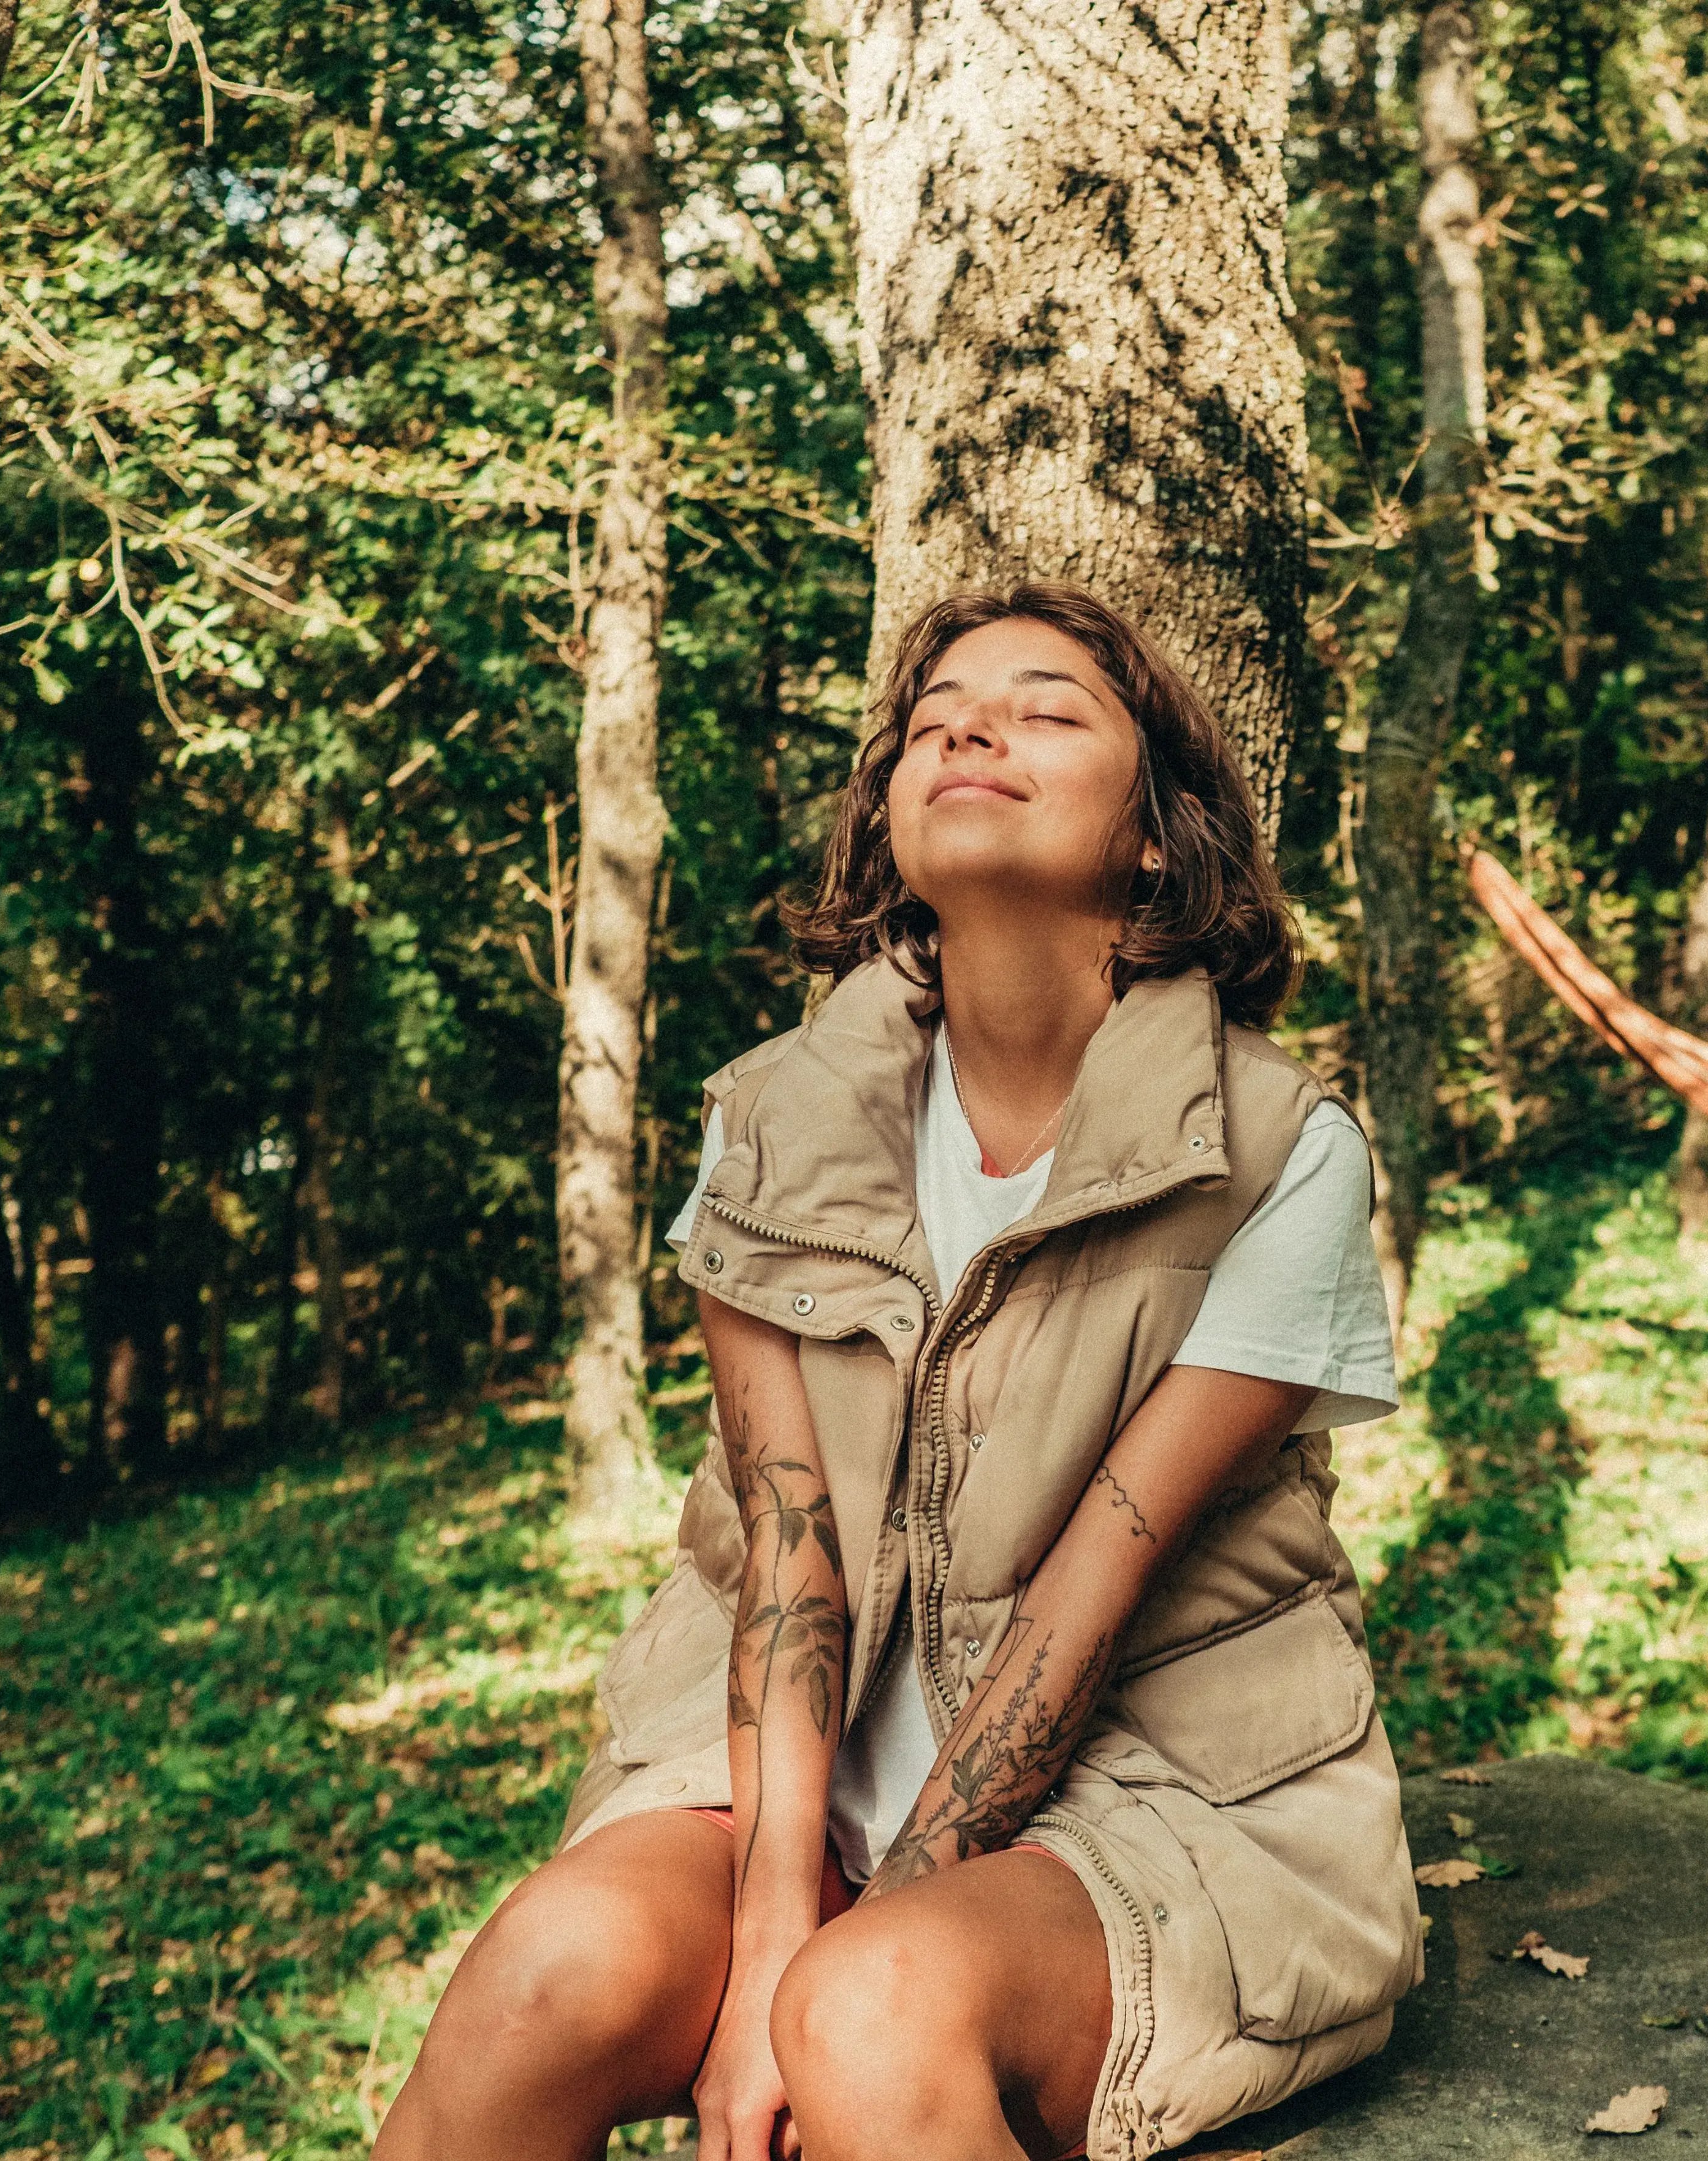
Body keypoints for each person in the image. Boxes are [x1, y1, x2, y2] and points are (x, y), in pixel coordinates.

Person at [376, 582, 1422, 2161]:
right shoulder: (766, 1130)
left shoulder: (1279, 1151)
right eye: (934, 719)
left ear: (1158, 835)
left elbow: (1089, 1603)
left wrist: (819, 1984)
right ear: (891, 830)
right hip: (792, 1790)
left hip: (1160, 1804)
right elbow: (783, 1558)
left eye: (1046, 709)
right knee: (543, 1973)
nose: (969, 728)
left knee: (866, 2016)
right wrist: (770, 1928)